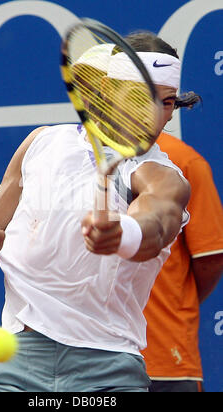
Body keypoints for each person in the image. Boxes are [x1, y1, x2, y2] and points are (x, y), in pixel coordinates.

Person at [0, 38, 191, 392]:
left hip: (108, 372)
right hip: (14, 364)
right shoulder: (41, 144)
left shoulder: (163, 175)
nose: (154, 115)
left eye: (167, 102)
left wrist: (123, 233)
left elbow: (157, 223)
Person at [124, 32, 223, 392]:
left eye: (166, 101)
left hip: (166, 363)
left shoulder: (186, 164)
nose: (154, 112)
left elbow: (210, 259)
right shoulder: (67, 154)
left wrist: (172, 301)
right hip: (92, 363)